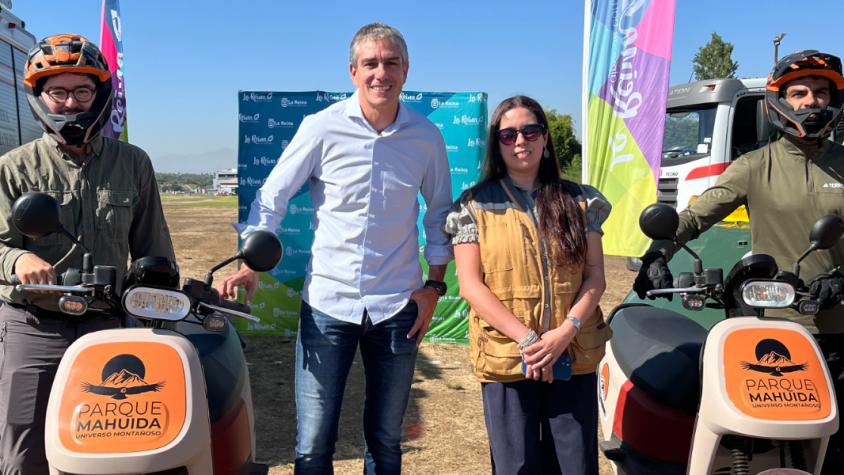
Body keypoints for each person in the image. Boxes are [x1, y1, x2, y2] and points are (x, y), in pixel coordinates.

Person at [217, 23, 452, 475]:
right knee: (313, 444)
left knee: (386, 443)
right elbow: (272, 197)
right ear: (353, 71)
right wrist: (252, 262)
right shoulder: (321, 127)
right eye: (371, 63)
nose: (380, 73)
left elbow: (439, 213)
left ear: (406, 71)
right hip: (328, 303)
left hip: (397, 306)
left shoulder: (426, 136)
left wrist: (433, 287)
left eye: (391, 63)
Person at [634, 50, 844, 474]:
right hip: (776, 328)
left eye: (821, 92)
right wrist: (656, 255)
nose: (811, 102)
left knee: (835, 448)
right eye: (799, 92)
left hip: (839, 326)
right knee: (750, 440)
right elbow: (694, 217)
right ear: (779, 100)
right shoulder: (754, 165)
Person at [0, 34, 174, 473]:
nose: (70, 103)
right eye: (57, 92)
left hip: (109, 323)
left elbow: (154, 249)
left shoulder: (134, 163)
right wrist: (18, 260)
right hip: (34, 324)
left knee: (116, 448)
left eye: (82, 90)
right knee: (23, 449)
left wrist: (162, 298)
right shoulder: (14, 168)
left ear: (100, 96)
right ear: (39, 98)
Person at [444, 95, 611, 474]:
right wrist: (529, 341)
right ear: (496, 144)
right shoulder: (472, 206)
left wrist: (563, 334)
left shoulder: (581, 201)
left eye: (529, 130)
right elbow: (471, 286)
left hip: (573, 354)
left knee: (575, 466)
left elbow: (595, 277)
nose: (520, 141)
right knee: (515, 466)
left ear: (545, 137)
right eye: (508, 134)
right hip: (507, 355)